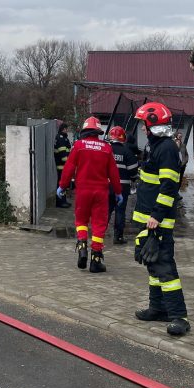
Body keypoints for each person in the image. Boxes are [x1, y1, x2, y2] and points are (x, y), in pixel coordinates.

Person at [131, 102, 190, 336]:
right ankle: (157, 308)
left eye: (144, 124)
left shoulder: (165, 148)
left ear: (153, 124)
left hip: (158, 220)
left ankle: (179, 317)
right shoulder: (156, 146)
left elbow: (169, 186)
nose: (142, 128)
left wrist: (156, 216)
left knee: (165, 267)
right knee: (153, 264)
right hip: (148, 218)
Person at [57, 116, 121, 273]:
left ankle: (82, 249)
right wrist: (118, 192)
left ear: (85, 130)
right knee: (99, 224)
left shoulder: (78, 145)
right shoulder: (106, 148)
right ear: (98, 131)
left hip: (83, 191)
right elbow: (113, 173)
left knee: (81, 220)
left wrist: (62, 186)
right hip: (100, 192)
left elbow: (69, 168)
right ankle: (96, 260)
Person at [106, 126, 139, 245]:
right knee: (120, 211)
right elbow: (133, 171)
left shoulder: (106, 149)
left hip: (107, 185)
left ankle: (99, 234)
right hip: (122, 187)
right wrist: (133, 179)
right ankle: (118, 237)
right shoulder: (127, 152)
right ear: (123, 138)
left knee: (106, 210)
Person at [53, 122, 72, 208]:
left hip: (63, 165)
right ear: (63, 129)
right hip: (62, 166)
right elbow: (63, 156)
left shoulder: (63, 138)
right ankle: (60, 202)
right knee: (61, 184)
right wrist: (70, 163)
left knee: (63, 184)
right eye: (66, 129)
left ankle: (63, 200)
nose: (67, 130)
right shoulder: (61, 139)